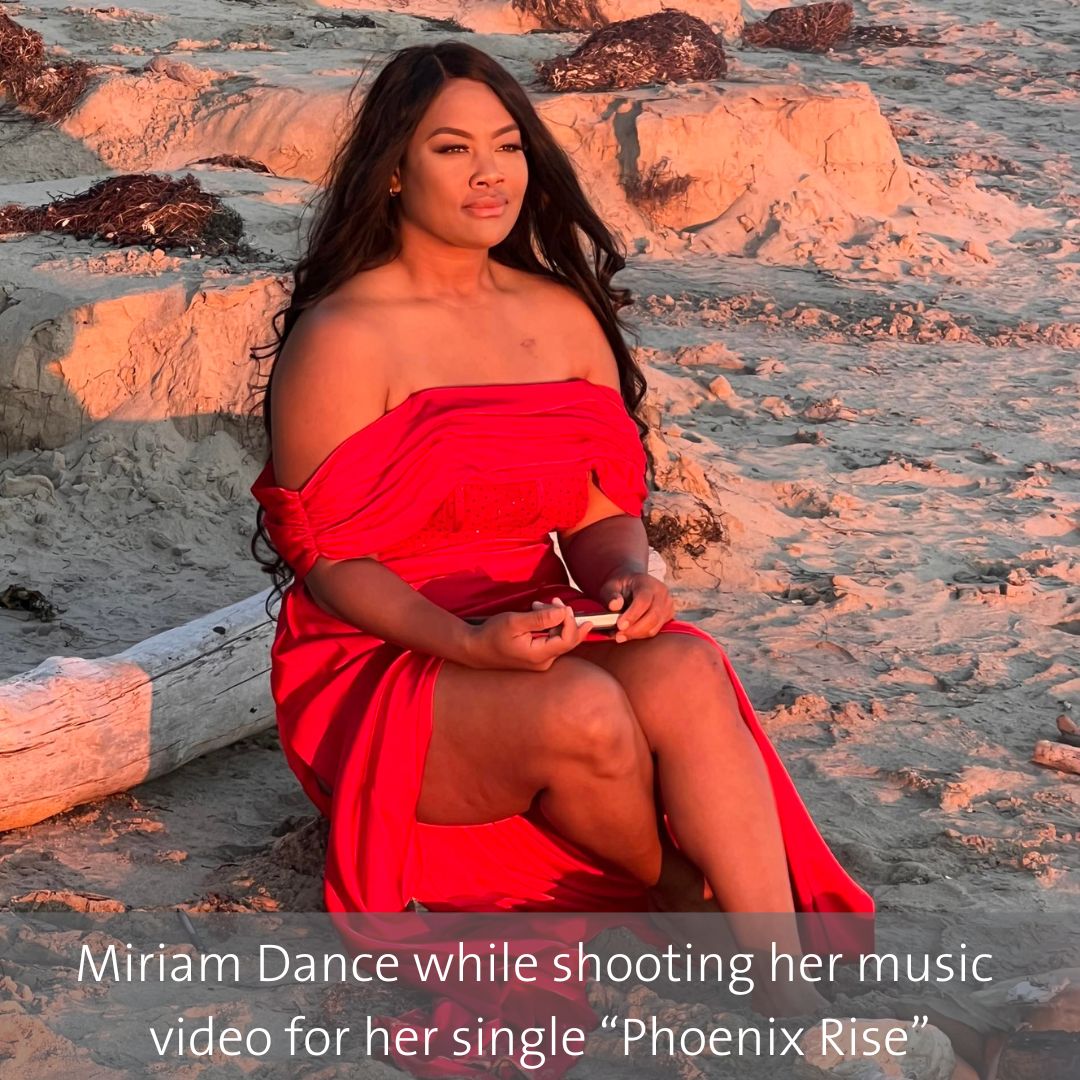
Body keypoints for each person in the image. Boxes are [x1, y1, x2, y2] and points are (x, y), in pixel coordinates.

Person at [250, 40, 874, 1078]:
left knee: (689, 662)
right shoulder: (345, 335)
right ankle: (675, 892)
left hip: (531, 617)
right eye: (452, 148)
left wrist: (628, 574)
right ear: (393, 169)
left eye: (507, 145)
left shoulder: (558, 312)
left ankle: (787, 994)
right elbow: (332, 563)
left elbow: (597, 509)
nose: (489, 173)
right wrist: (466, 644)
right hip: (386, 654)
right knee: (585, 708)